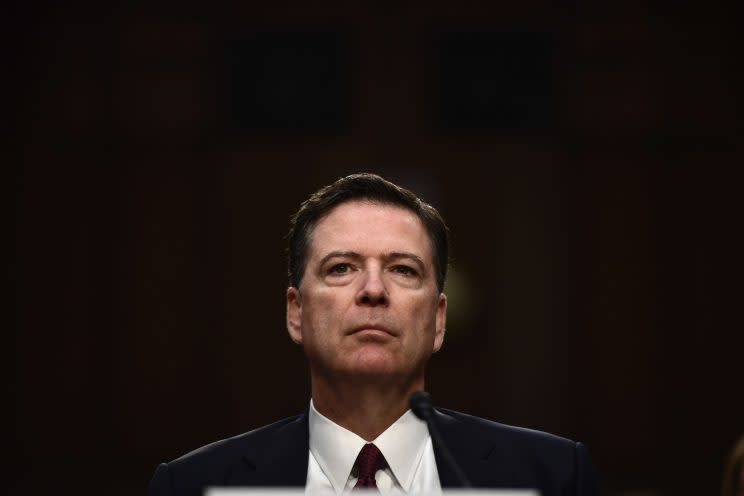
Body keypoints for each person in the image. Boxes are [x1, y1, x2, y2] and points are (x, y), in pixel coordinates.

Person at [149, 173, 599, 496]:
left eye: (402, 269)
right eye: (341, 268)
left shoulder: (550, 477)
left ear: (438, 319)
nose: (373, 291)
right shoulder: (195, 485)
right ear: (296, 313)